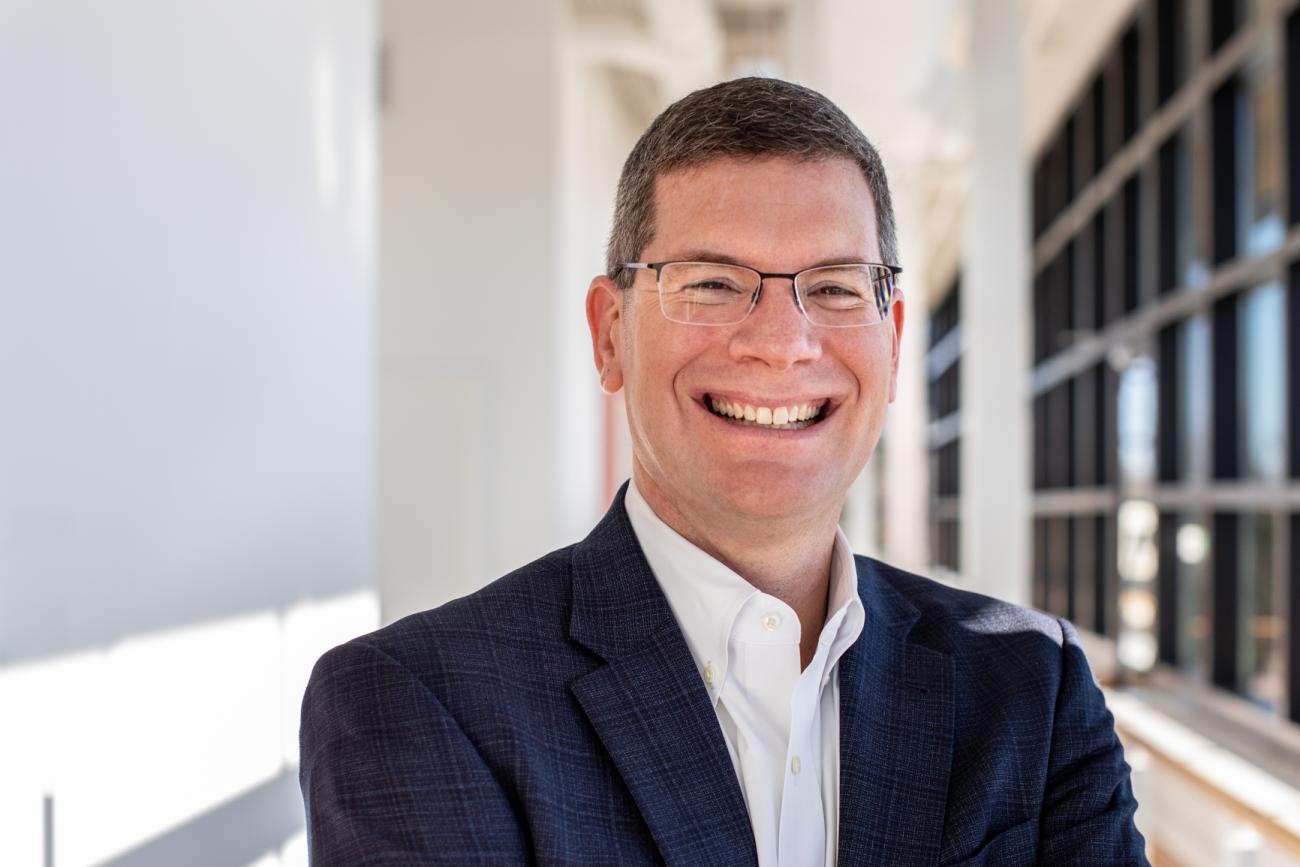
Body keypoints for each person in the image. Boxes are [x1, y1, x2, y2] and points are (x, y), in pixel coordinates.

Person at [299, 77, 1147, 866]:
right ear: (609, 333)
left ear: (892, 342)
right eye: (710, 282)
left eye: (836, 286)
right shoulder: (416, 703)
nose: (780, 342)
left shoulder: (1030, 685)